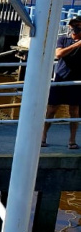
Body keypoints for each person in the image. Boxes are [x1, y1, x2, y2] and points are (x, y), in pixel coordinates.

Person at [42, 18, 81, 149]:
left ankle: (72, 140)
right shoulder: (63, 39)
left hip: (76, 81)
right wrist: (76, 45)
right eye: (73, 25)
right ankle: (43, 136)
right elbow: (58, 54)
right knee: (51, 109)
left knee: (74, 111)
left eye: (78, 25)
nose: (75, 28)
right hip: (61, 79)